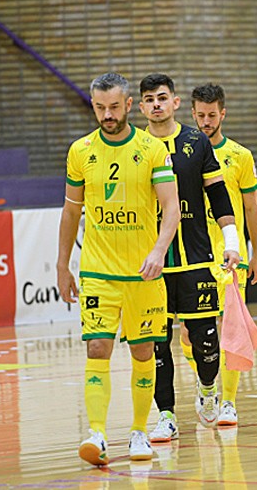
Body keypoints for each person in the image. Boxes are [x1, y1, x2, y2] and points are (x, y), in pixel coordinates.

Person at [57, 72, 181, 465]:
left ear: (129, 105)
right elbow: (71, 211)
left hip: (143, 273)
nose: (107, 114)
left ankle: (139, 433)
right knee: (97, 347)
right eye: (99, 107)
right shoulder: (80, 151)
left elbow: (172, 208)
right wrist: (63, 265)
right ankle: (96, 433)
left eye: (114, 106)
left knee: (144, 351)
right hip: (98, 271)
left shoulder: (152, 150)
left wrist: (159, 251)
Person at [137, 74, 241, 440]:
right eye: (148, 99)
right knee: (156, 342)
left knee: (205, 341)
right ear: (140, 106)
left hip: (196, 257)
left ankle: (209, 389)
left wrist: (232, 242)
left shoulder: (196, 141)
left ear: (176, 102)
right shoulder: (134, 145)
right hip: (152, 263)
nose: (156, 105)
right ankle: (165, 414)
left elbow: (219, 196)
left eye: (162, 98)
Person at [191, 82, 257, 425]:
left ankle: (230, 402)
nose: (206, 121)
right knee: (192, 331)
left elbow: (251, 208)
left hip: (230, 256)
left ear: (223, 113)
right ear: (192, 114)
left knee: (232, 328)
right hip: (193, 255)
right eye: (200, 115)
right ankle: (206, 385)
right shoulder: (184, 153)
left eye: (212, 115)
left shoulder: (240, 155)